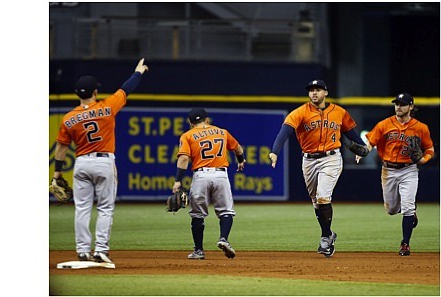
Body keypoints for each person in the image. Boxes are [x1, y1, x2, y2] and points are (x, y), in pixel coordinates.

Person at [52, 58, 149, 263]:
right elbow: (126, 89)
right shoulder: (107, 107)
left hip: (81, 164)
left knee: (82, 208)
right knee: (105, 208)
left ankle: (82, 250)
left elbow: (61, 147)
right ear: (95, 92)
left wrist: (57, 173)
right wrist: (138, 72)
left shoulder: (68, 118)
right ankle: (101, 250)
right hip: (103, 162)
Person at [269, 79, 368, 258]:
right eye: (311, 90)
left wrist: (362, 147)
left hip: (331, 158)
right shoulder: (300, 112)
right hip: (308, 160)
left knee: (323, 197)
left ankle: (324, 238)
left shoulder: (339, 112)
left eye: (318, 90)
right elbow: (284, 132)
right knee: (316, 202)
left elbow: (350, 132)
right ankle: (329, 234)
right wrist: (275, 151)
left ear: (326, 92)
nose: (314, 93)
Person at [356, 93, 434, 256]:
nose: (398, 106)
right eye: (397, 103)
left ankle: (405, 243)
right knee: (391, 210)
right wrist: (364, 152)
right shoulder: (384, 124)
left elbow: (430, 149)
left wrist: (423, 160)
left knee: (407, 207)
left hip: (409, 170)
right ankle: (410, 212)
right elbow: (371, 141)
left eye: (402, 104)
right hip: (388, 170)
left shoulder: (421, 128)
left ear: (411, 107)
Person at [172, 108, 246, 260]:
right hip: (220, 175)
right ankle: (223, 239)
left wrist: (178, 180)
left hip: (201, 175)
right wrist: (240, 161)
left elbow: (184, 159)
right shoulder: (222, 132)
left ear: (190, 123)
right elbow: (238, 148)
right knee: (226, 211)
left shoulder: (187, 135)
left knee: (197, 214)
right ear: (207, 120)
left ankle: (199, 251)